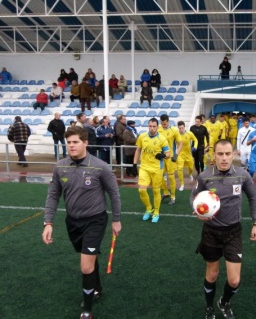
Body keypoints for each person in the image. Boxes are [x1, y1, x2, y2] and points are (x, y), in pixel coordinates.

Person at [41, 127, 122, 319]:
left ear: (85, 143)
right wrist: (48, 222)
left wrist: (116, 220)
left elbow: (114, 194)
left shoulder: (100, 166)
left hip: (95, 220)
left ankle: (87, 310)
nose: (71, 146)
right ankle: (98, 288)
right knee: (89, 259)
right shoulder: (60, 166)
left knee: (85, 267)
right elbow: (53, 195)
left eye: (75, 142)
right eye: (68, 142)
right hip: (73, 222)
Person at [190, 139, 256, 319]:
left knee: (234, 280)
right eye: (220, 154)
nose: (224, 158)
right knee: (212, 274)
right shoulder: (204, 176)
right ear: (214, 155)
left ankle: (224, 302)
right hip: (211, 232)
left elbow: (253, 198)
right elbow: (193, 197)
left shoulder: (242, 175)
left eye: (228, 154)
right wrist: (198, 211)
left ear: (234, 154)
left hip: (233, 232)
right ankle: (209, 307)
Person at [133, 118, 170, 222]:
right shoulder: (142, 136)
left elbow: (168, 155)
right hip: (144, 167)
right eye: (150, 126)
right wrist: (134, 164)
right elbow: (138, 150)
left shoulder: (162, 139)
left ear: (157, 127)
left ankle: (156, 211)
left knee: (156, 190)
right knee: (141, 189)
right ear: (148, 126)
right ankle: (149, 208)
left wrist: (162, 155)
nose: (152, 128)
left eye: (154, 126)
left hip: (157, 168)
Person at [159, 114, 183, 206]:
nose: (163, 125)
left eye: (165, 124)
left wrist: (176, 154)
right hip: (161, 157)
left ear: (168, 121)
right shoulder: (159, 129)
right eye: (162, 124)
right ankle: (165, 192)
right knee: (159, 176)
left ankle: (173, 196)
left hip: (171, 157)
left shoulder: (174, 130)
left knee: (171, 177)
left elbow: (180, 143)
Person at [176, 121, 197, 191]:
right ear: (178, 128)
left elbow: (195, 140)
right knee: (179, 169)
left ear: (184, 127)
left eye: (182, 128)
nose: (181, 129)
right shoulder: (176, 135)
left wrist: (195, 146)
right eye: (179, 128)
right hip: (180, 154)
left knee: (191, 167)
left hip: (188, 154)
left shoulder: (189, 133)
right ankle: (182, 184)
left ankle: (190, 174)